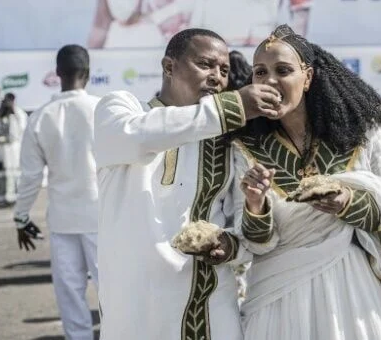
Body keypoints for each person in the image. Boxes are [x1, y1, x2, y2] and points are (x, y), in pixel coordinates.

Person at [229, 24, 381, 340]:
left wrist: (350, 204)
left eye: (283, 70)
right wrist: (255, 205)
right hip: (282, 297)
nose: (269, 80)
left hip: (358, 291)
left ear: (307, 77)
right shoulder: (245, 149)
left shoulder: (359, 134)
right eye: (260, 72)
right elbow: (256, 243)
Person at [94, 28, 282, 340]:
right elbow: (137, 137)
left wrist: (230, 244)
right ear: (169, 67)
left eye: (223, 70)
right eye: (205, 65)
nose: (217, 78)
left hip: (210, 306)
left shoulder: (226, 142)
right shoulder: (121, 109)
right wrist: (233, 108)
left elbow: (250, 234)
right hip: (137, 309)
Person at [13, 44, 100, 340]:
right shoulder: (102, 110)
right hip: (103, 217)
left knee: (69, 294)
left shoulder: (40, 117)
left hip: (63, 220)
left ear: (58, 73)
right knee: (113, 292)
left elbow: (31, 177)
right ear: (88, 74)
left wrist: (21, 218)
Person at [0, 93, 28, 203]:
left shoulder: (18, 113)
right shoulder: (4, 113)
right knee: (6, 172)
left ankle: (18, 195)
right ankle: (7, 196)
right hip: (4, 147)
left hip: (14, 147)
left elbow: (21, 129)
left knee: (15, 172)